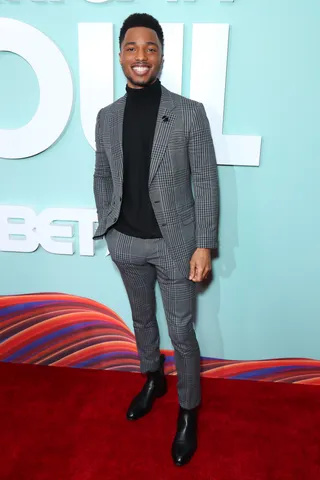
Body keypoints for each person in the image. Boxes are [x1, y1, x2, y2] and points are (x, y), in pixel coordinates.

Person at [93, 13, 219, 466]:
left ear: (162, 55)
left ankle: (188, 411)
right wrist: (109, 225)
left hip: (176, 245)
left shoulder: (189, 112)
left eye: (150, 47)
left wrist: (204, 243)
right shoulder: (106, 118)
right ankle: (152, 378)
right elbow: (102, 175)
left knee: (182, 331)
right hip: (126, 243)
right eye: (131, 47)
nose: (140, 56)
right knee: (142, 322)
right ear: (120, 56)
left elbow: (205, 179)